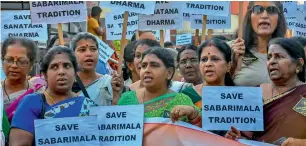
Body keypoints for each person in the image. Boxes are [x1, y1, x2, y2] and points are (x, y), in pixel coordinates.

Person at [9, 46, 96, 146]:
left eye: (67, 66)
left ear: (75, 73)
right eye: (54, 67)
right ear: (45, 75)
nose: (61, 72)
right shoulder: (32, 102)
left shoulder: (87, 105)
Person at [225, 38, 306, 145]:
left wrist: (299, 143)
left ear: (298, 64)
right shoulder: (255, 93)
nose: (272, 61)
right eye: (269, 57)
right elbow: (247, 134)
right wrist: (237, 136)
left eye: (279, 57)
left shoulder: (303, 95)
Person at [117, 48, 201, 126]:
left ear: (169, 73)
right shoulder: (127, 99)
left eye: (154, 65)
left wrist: (193, 114)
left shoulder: (182, 100)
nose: (147, 70)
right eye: (144, 66)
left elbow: (201, 134)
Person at [231, 1, 286, 87]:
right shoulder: (230, 49)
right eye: (257, 9)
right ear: (249, 16)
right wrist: (231, 65)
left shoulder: (289, 53)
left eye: (271, 10)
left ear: (279, 17)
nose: (264, 15)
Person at [182, 39, 235, 109]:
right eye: (204, 60)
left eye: (215, 59)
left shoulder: (237, 97)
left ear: (228, 65)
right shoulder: (187, 95)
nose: (208, 64)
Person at [1, 38, 44, 122]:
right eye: (9, 60)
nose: (14, 65)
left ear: (31, 65)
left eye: (21, 61)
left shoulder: (39, 93)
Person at [70, 32, 115, 105]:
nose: (89, 54)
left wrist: (116, 95)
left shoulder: (108, 82)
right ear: (73, 54)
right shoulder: (67, 84)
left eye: (93, 49)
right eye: (82, 50)